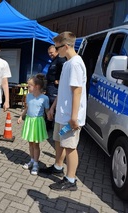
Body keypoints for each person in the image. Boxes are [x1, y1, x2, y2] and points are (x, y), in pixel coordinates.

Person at [40, 32, 87, 191]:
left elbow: (77, 91)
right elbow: (63, 90)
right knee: (59, 142)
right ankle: (58, 167)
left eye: (57, 47)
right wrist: (53, 108)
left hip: (69, 117)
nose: (55, 50)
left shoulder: (75, 63)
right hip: (62, 114)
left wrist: (74, 117)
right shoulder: (67, 63)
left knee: (70, 147)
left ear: (65, 46)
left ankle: (71, 179)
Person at [17, 74, 49, 175]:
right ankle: (31, 160)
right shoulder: (28, 96)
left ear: (37, 86)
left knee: (36, 144)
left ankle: (36, 163)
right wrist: (21, 116)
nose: (27, 87)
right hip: (29, 121)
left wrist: (50, 116)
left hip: (37, 122)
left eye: (29, 86)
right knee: (30, 143)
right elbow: (27, 108)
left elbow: (47, 111)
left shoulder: (44, 98)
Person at [45, 45, 66, 129]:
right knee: (49, 105)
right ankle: (49, 124)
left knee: (54, 105)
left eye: (51, 53)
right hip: (50, 87)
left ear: (56, 51)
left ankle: (53, 126)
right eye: (49, 53)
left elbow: (64, 72)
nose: (50, 54)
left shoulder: (61, 60)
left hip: (55, 87)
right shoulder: (54, 60)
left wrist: (60, 81)